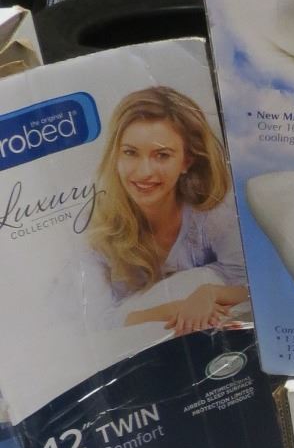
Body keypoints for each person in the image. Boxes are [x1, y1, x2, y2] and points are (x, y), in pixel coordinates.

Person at [84, 86, 248, 335]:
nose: (144, 172)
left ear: (186, 161)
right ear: (116, 156)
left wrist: (210, 293)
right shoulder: (97, 233)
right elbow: (96, 326)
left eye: (162, 155)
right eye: (130, 153)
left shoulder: (215, 213)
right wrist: (177, 309)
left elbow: (257, 284)